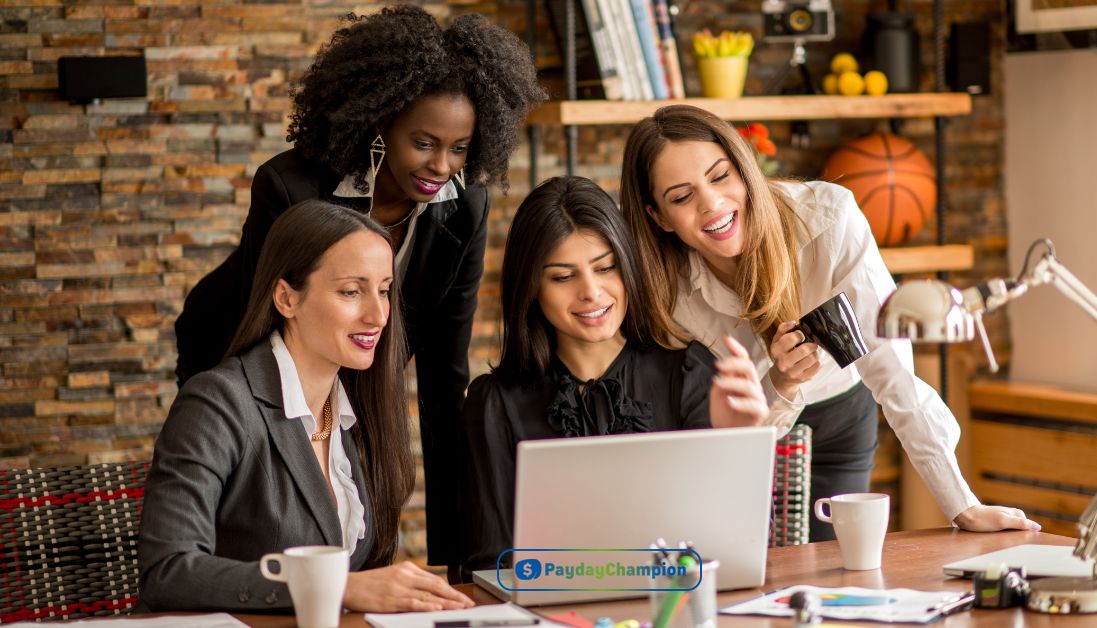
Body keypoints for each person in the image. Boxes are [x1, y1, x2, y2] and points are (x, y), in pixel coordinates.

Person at [171, 5, 545, 568]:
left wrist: (458, 567)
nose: (441, 165)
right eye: (424, 141)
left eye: (460, 148)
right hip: (240, 342)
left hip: (363, 357)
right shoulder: (291, 187)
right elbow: (265, 330)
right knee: (273, 513)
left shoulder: (465, 208)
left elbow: (444, 373)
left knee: (368, 505)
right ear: (380, 123)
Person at [618, 105, 1041, 541]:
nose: (712, 204)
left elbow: (890, 369)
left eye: (720, 176)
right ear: (658, 216)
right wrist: (781, 385)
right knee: (749, 560)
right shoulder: (671, 292)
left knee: (833, 570)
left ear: (744, 170)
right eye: (682, 197)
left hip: (841, 414)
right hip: (753, 429)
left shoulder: (828, 218)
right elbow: (725, 432)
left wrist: (962, 505)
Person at [139, 200, 475, 613]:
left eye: (384, 291)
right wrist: (339, 588)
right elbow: (168, 571)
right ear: (286, 298)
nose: (378, 315)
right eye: (352, 291)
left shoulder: (359, 407)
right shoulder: (216, 403)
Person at [459, 176, 769, 577]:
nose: (591, 291)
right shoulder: (494, 403)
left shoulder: (689, 371)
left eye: (606, 267)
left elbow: (739, 546)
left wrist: (739, 443)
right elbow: (488, 563)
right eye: (562, 276)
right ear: (532, 286)